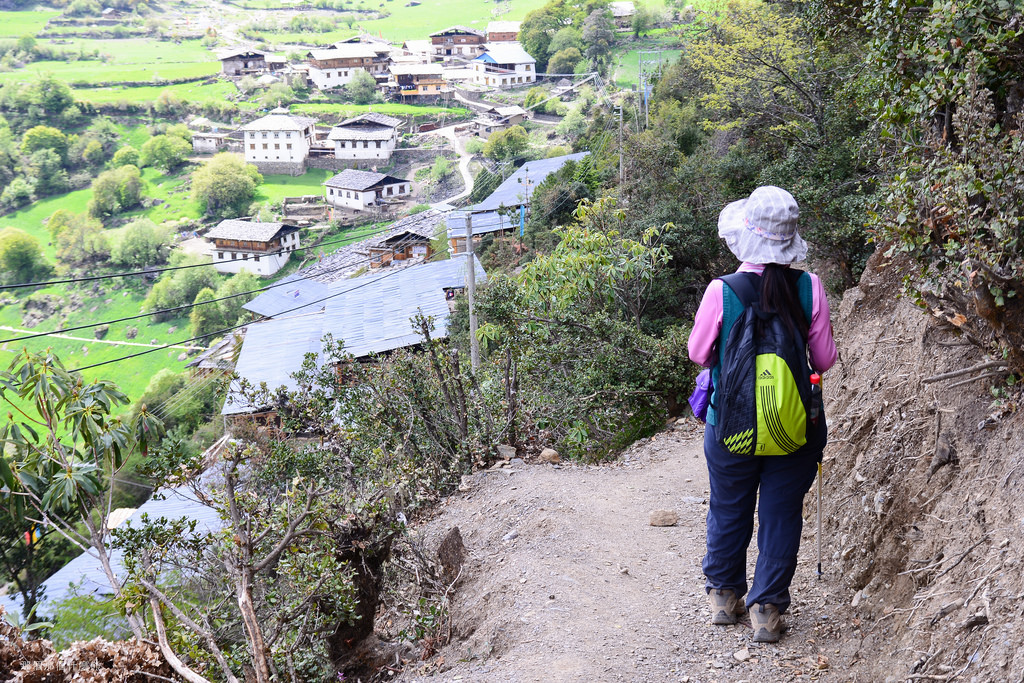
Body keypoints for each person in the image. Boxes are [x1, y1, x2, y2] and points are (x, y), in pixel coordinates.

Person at [687, 185, 838, 643]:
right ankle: (767, 609)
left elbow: (698, 353)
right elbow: (825, 359)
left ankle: (724, 595)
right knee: (781, 512)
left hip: (728, 422)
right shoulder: (808, 287)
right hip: (795, 424)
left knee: (729, 505)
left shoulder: (723, 291)